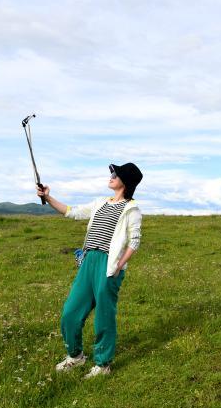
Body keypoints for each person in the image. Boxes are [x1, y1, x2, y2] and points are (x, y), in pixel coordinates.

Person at [37, 162, 143, 378]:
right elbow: (72, 212)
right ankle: (75, 356)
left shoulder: (132, 210)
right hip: (88, 261)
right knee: (70, 312)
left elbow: (134, 241)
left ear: (126, 181)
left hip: (109, 265)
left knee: (104, 316)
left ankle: (103, 365)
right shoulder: (100, 202)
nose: (111, 176)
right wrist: (48, 197)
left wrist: (118, 266)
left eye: (116, 174)